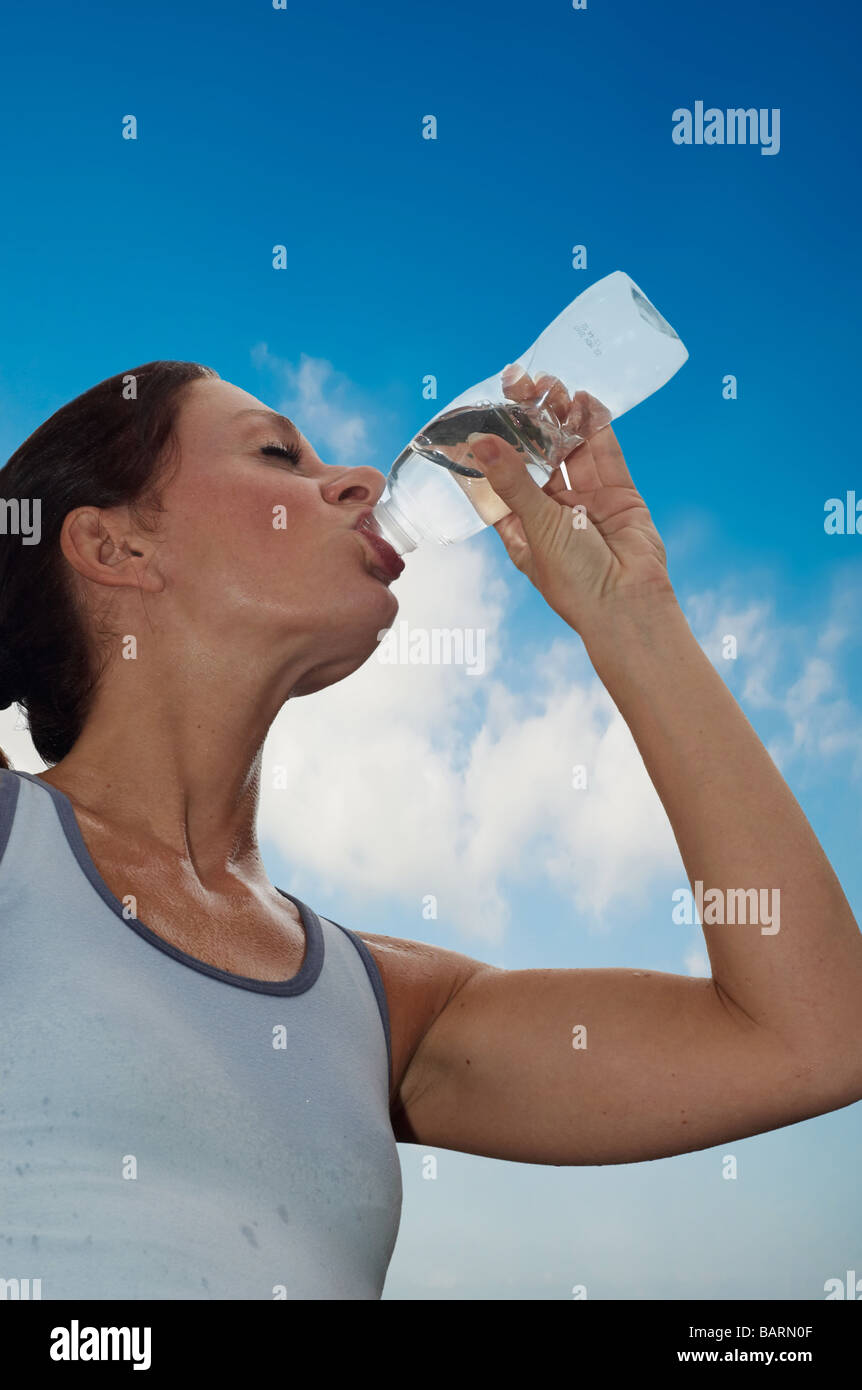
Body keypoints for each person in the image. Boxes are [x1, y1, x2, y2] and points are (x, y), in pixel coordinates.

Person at [1, 360, 860, 1300]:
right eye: (279, 453)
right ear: (116, 549)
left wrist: (632, 614)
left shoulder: (381, 1010)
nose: (363, 481)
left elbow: (813, 1035)